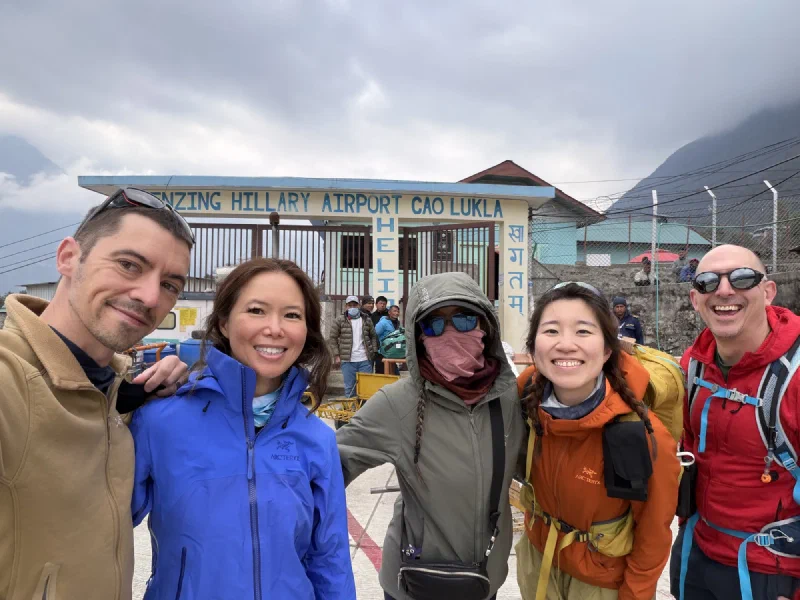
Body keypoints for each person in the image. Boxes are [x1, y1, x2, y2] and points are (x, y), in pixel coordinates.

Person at [0, 187, 194, 599]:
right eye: (128, 265)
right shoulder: (9, 380)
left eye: (171, 284)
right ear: (69, 257)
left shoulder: (114, 392)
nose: (149, 296)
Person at [130, 258, 355, 599]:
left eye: (292, 315)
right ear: (223, 322)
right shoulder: (159, 421)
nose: (275, 328)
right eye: (256, 310)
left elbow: (331, 559)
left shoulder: (316, 438)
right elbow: (96, 528)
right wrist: (113, 401)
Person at [336, 272, 525, 600]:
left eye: (464, 320)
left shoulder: (508, 400)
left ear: (485, 326)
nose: (451, 333)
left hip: (484, 580)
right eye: (434, 324)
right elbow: (326, 470)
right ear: (418, 337)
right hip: (414, 582)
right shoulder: (397, 403)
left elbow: (542, 465)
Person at [515, 282, 680, 600]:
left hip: (601, 584)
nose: (565, 345)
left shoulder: (641, 433)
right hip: (537, 563)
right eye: (551, 331)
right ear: (534, 348)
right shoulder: (526, 395)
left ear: (607, 349)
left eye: (583, 331)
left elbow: (653, 534)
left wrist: (635, 595)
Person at [670, 245, 800, 600]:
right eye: (709, 282)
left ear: (768, 291)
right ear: (696, 299)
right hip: (696, 556)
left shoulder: (795, 375)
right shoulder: (692, 365)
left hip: (771, 573)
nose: (724, 290)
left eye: (742, 278)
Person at [330, 295, 378, 397]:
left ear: (358, 306)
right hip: (348, 361)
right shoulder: (340, 320)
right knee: (350, 389)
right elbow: (333, 338)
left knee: (366, 388)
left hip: (365, 360)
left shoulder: (366, 319)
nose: (352, 307)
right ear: (345, 307)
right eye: (349, 305)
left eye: (354, 305)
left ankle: (364, 412)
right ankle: (351, 412)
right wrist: (337, 355)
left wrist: (373, 351)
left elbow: (373, 336)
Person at [375, 303, 402, 374]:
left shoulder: (398, 323)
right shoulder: (383, 322)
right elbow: (375, 334)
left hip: (391, 352)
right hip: (382, 352)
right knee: (381, 374)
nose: (396, 313)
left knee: (395, 374)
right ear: (389, 312)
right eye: (394, 311)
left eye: (398, 311)